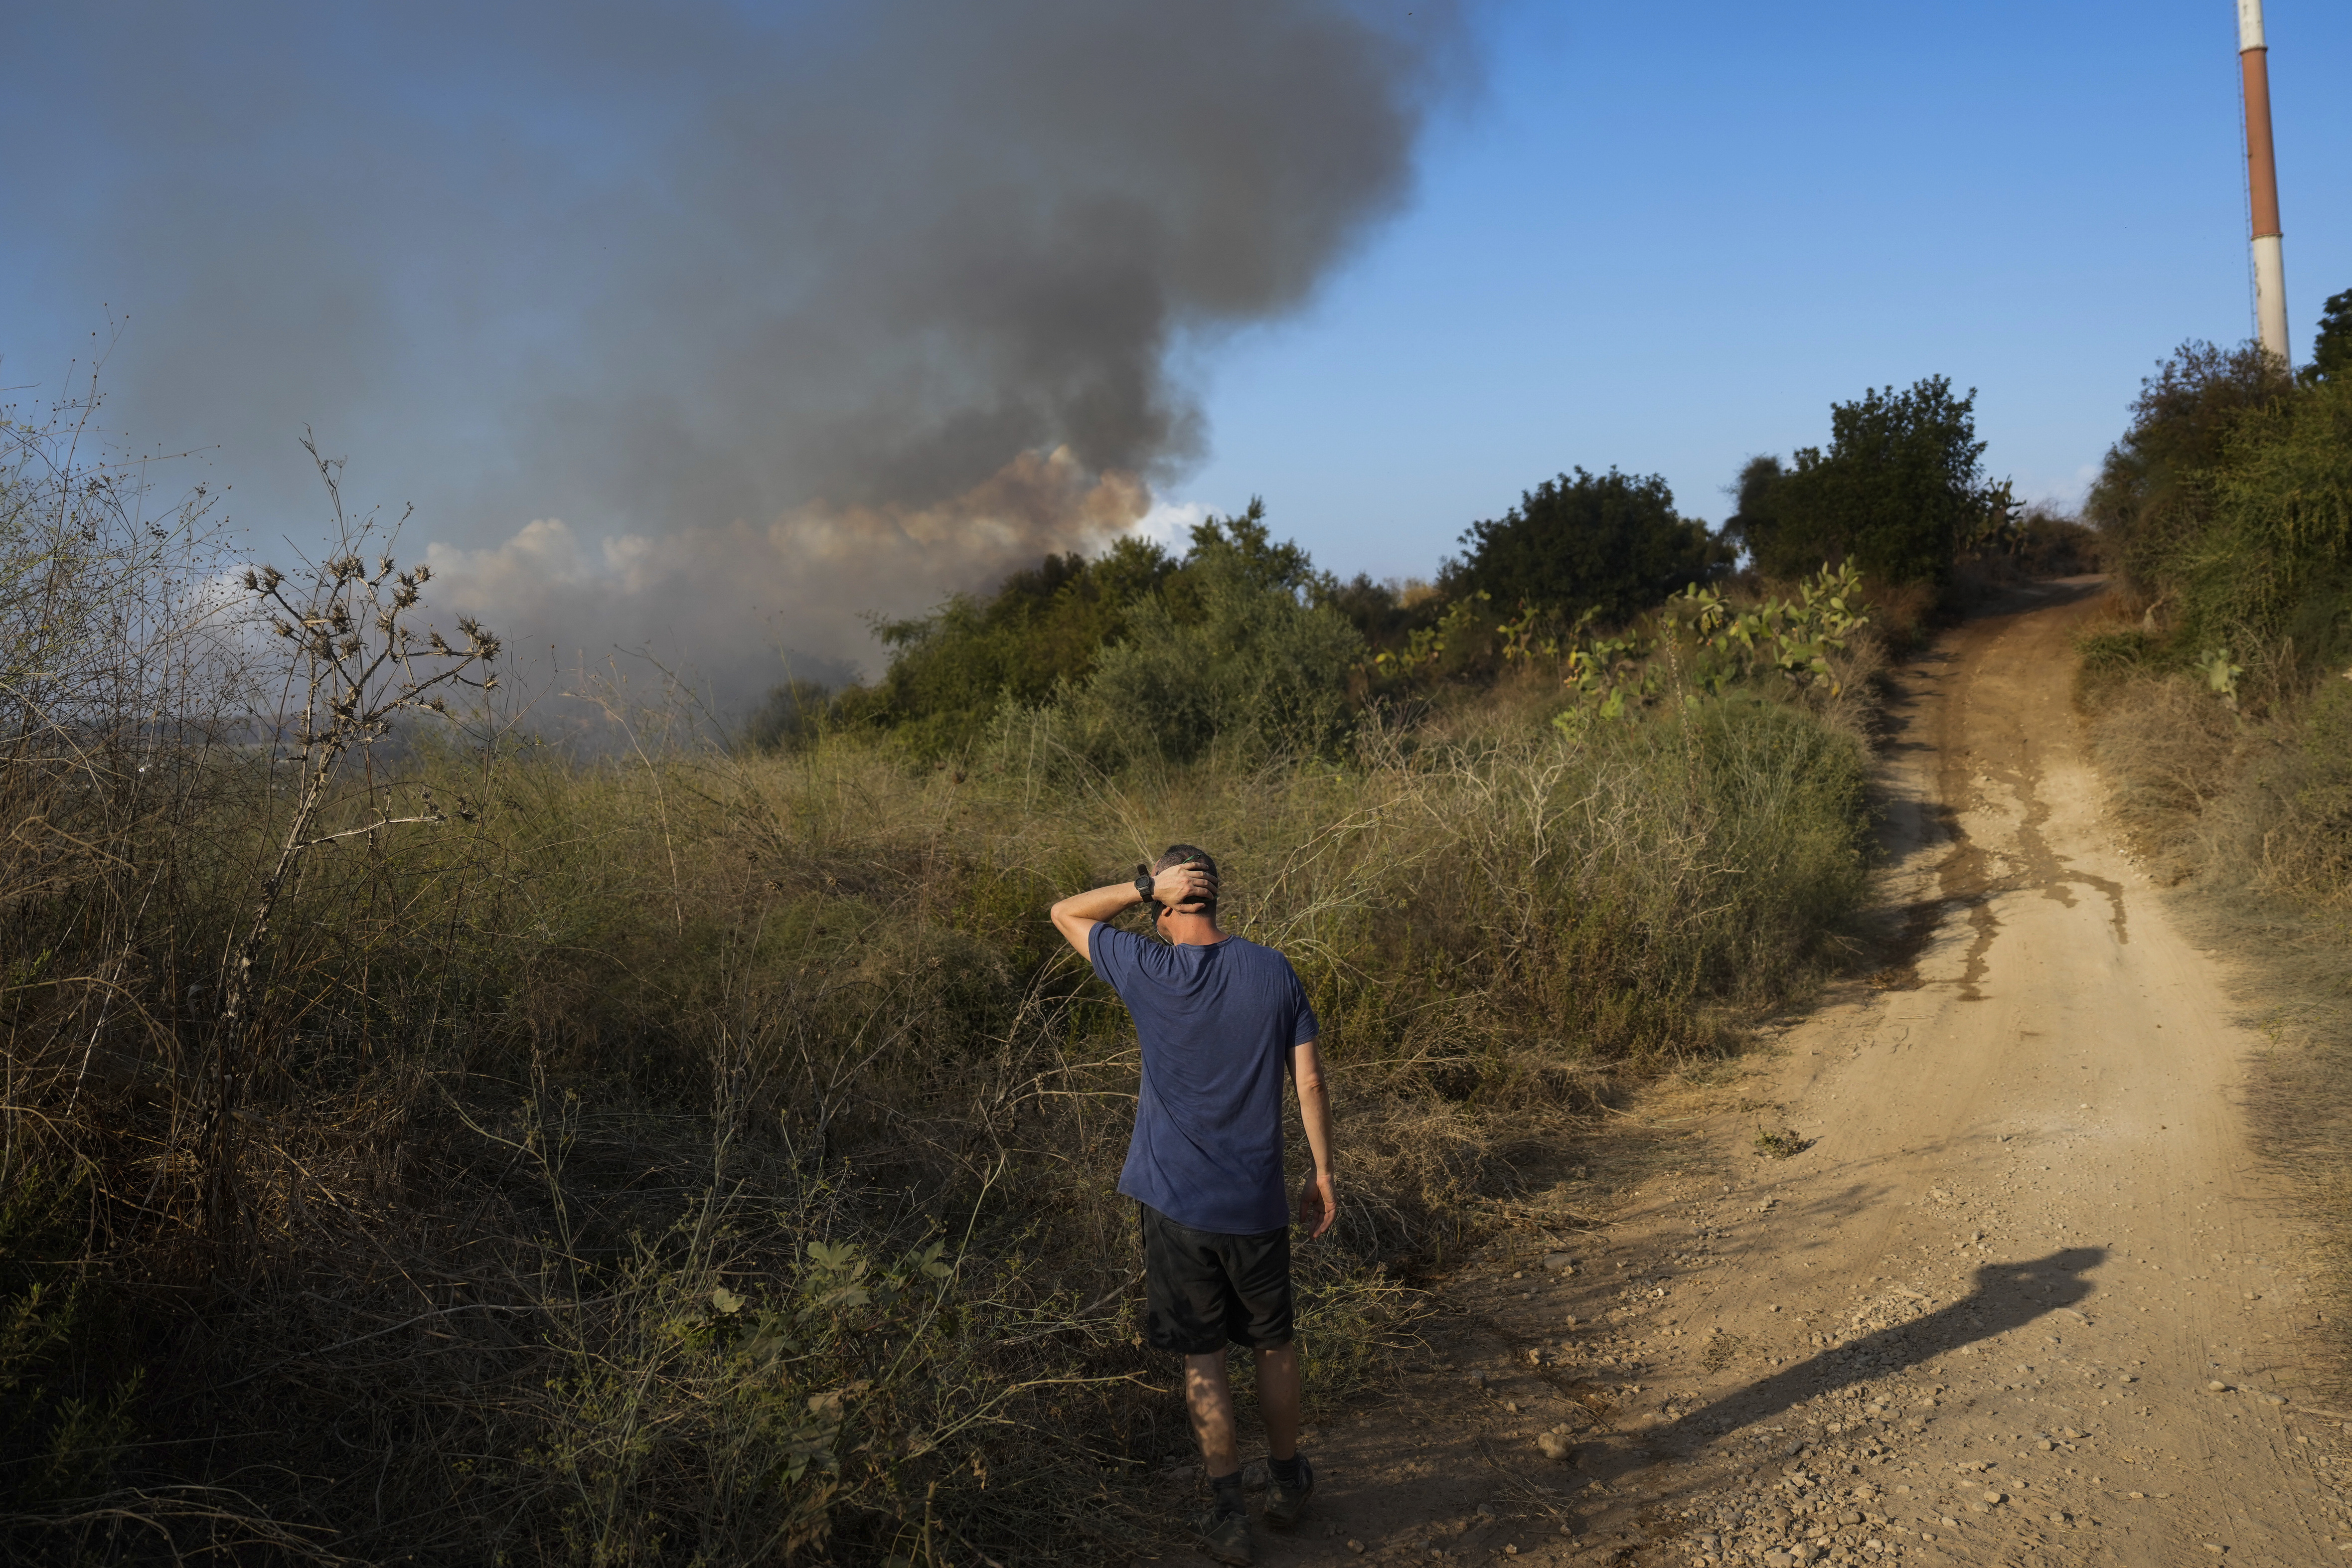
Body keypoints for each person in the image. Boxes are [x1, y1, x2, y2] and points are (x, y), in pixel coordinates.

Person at [1049, 845, 1336, 1567]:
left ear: (1170, 901)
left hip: (1177, 1205)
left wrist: (1142, 885)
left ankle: (1228, 1513)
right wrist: (1323, 1172)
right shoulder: (1273, 971)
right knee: (1273, 1344)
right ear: (1218, 897)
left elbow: (1064, 912)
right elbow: (1310, 1083)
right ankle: (1285, 1480)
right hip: (1258, 1203)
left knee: (1203, 1357)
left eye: (1160, 896)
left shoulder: (1147, 969)